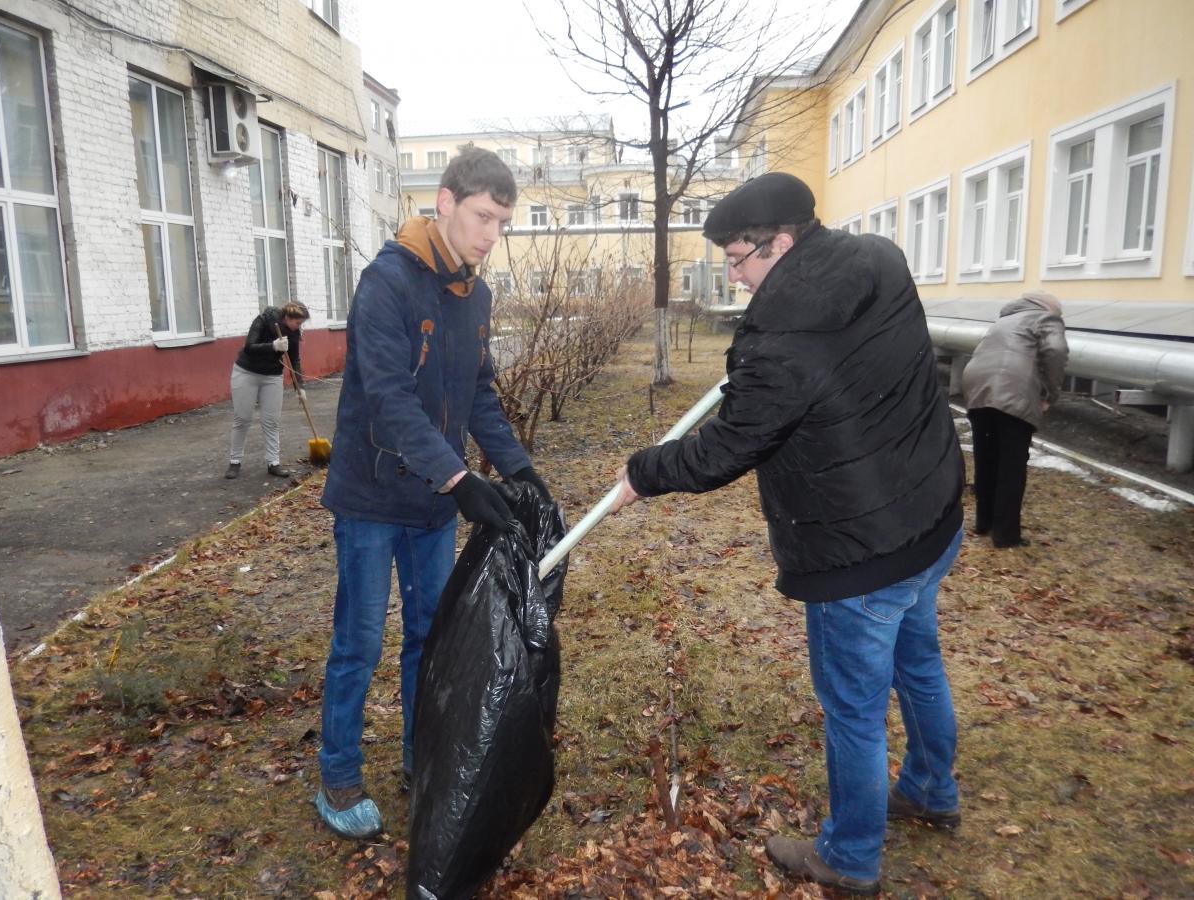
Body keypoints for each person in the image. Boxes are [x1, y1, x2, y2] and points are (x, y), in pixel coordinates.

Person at [608, 172, 965, 896]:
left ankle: (850, 855)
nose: (736, 277)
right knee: (919, 663)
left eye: (742, 259)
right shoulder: (878, 258)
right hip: (928, 513)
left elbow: (725, 449)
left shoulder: (783, 340)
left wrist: (642, 472)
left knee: (854, 711)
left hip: (858, 550)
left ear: (785, 239)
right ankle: (931, 788)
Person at [315, 147, 551, 840]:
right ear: (445, 202)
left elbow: (478, 394)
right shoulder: (387, 283)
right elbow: (386, 399)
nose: (490, 235)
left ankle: (424, 759)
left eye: (502, 223)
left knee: (431, 637)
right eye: (482, 216)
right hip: (369, 497)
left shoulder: (472, 294)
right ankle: (338, 774)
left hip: (432, 507)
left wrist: (519, 470)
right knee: (358, 641)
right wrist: (460, 477)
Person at [961, 291, 1069, 548]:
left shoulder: (1004, 321)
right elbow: (1056, 350)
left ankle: (984, 522)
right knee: (1011, 464)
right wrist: (1050, 393)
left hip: (977, 385)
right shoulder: (1046, 318)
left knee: (986, 458)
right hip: (1013, 388)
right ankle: (1006, 534)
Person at [226, 301, 309, 479]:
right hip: (246, 372)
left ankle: (273, 462)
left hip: (272, 376)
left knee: (271, 420)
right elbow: (249, 346)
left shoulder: (293, 333)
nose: (299, 326)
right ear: (287, 317)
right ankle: (235, 461)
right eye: (298, 322)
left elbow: (294, 360)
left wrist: (299, 387)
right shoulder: (263, 320)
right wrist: (273, 346)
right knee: (243, 418)